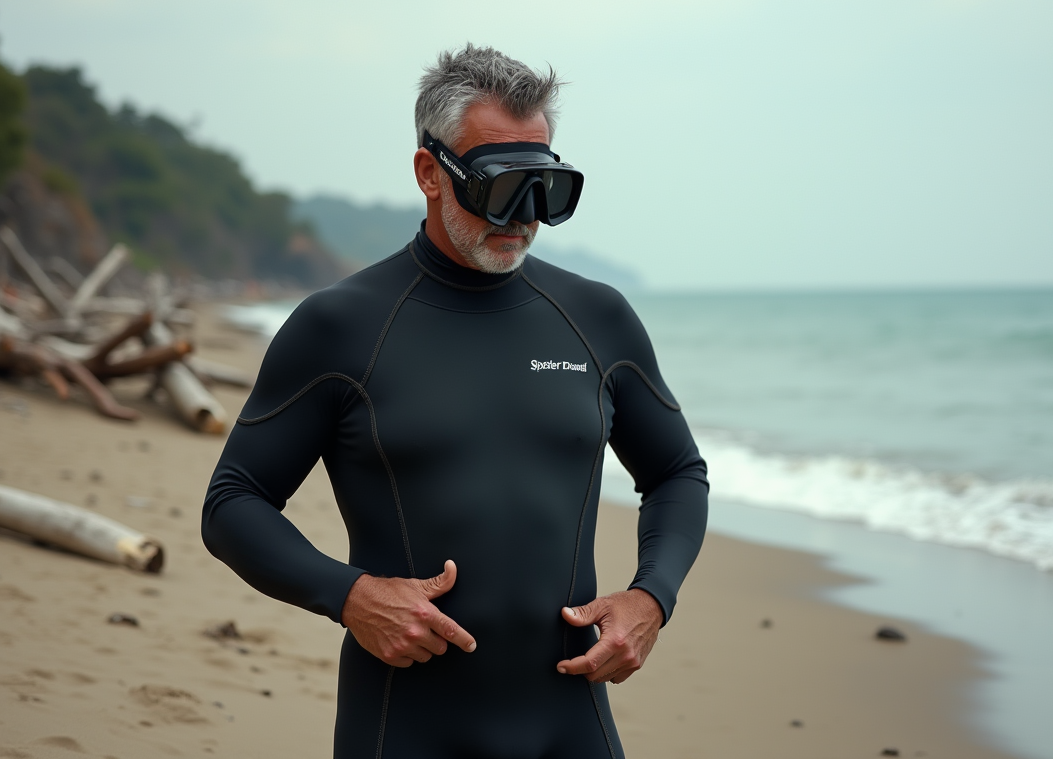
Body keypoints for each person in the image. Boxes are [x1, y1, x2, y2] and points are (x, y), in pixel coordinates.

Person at [202, 44, 709, 759]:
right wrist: (349, 595)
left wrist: (652, 596)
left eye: (544, 188)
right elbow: (233, 502)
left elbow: (677, 472)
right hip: (403, 727)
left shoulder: (597, 319)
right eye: (500, 186)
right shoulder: (343, 326)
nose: (523, 216)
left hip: (571, 728)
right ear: (430, 173)